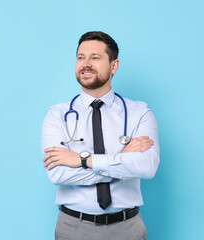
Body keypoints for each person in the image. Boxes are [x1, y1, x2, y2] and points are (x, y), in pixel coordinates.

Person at [41, 31, 160, 240]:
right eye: (81, 57)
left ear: (114, 65)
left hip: (127, 228)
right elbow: (58, 174)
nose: (86, 64)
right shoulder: (57, 115)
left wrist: (81, 160)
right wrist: (122, 159)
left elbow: (146, 167)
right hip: (73, 227)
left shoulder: (140, 113)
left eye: (95, 57)